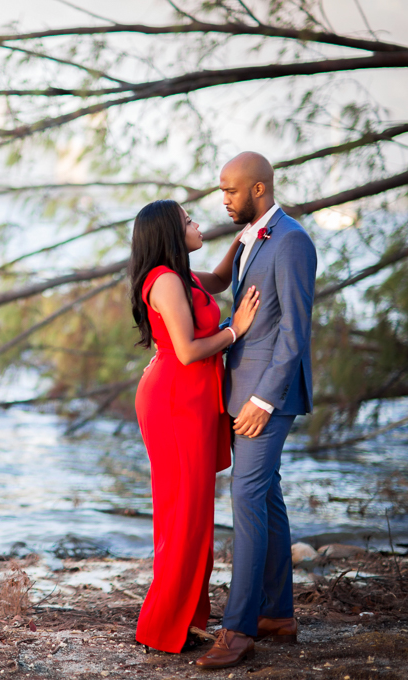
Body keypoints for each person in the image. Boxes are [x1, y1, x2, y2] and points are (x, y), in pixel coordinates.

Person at [196, 152, 317, 670]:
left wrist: (264, 400)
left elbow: (295, 329)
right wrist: (156, 270)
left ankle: (239, 629)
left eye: (231, 190)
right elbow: (221, 286)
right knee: (265, 498)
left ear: (260, 190)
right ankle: (276, 615)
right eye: (221, 190)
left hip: (266, 396)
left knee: (244, 496)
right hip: (243, 389)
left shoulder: (290, 241)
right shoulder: (249, 237)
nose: (223, 199)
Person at [129, 199, 260, 654]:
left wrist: (245, 237)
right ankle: (162, 625)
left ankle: (184, 617)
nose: (198, 223)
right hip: (174, 401)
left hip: (193, 399)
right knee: (182, 513)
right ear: (169, 231)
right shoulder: (164, 282)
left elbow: (221, 279)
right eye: (188, 220)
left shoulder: (180, 277)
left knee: (194, 512)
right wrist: (234, 330)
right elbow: (185, 351)